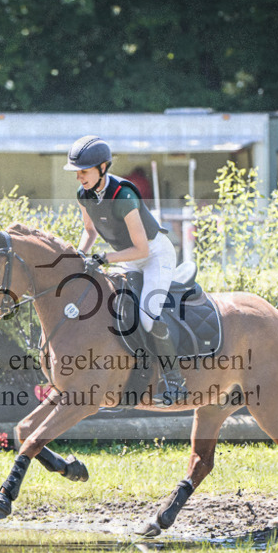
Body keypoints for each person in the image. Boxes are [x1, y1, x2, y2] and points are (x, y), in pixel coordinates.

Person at [64, 135, 186, 405]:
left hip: (154, 255)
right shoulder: (84, 194)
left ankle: (176, 381)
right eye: (77, 172)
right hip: (127, 257)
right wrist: (80, 256)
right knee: (116, 310)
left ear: (103, 168)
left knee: (147, 317)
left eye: (83, 171)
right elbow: (89, 229)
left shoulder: (124, 195)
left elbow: (142, 250)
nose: (79, 177)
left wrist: (105, 256)